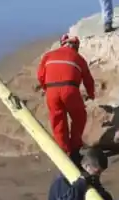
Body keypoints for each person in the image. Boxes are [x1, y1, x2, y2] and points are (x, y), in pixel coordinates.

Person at [36, 35, 95, 164]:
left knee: (58, 121)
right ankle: (74, 150)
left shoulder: (49, 55)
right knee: (79, 117)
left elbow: (40, 75)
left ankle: (64, 152)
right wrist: (91, 94)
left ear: (62, 44)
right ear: (76, 47)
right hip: (70, 90)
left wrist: (46, 88)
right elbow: (88, 80)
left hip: (52, 91)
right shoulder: (78, 58)